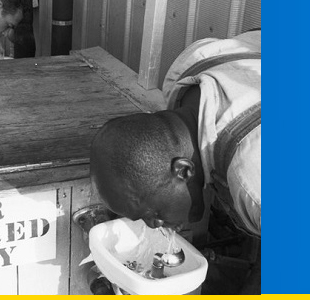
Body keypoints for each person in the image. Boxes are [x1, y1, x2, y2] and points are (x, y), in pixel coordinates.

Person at [88, 31, 260, 293]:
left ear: (183, 170)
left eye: (152, 215)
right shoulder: (190, 67)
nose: (154, 226)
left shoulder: (253, 183)